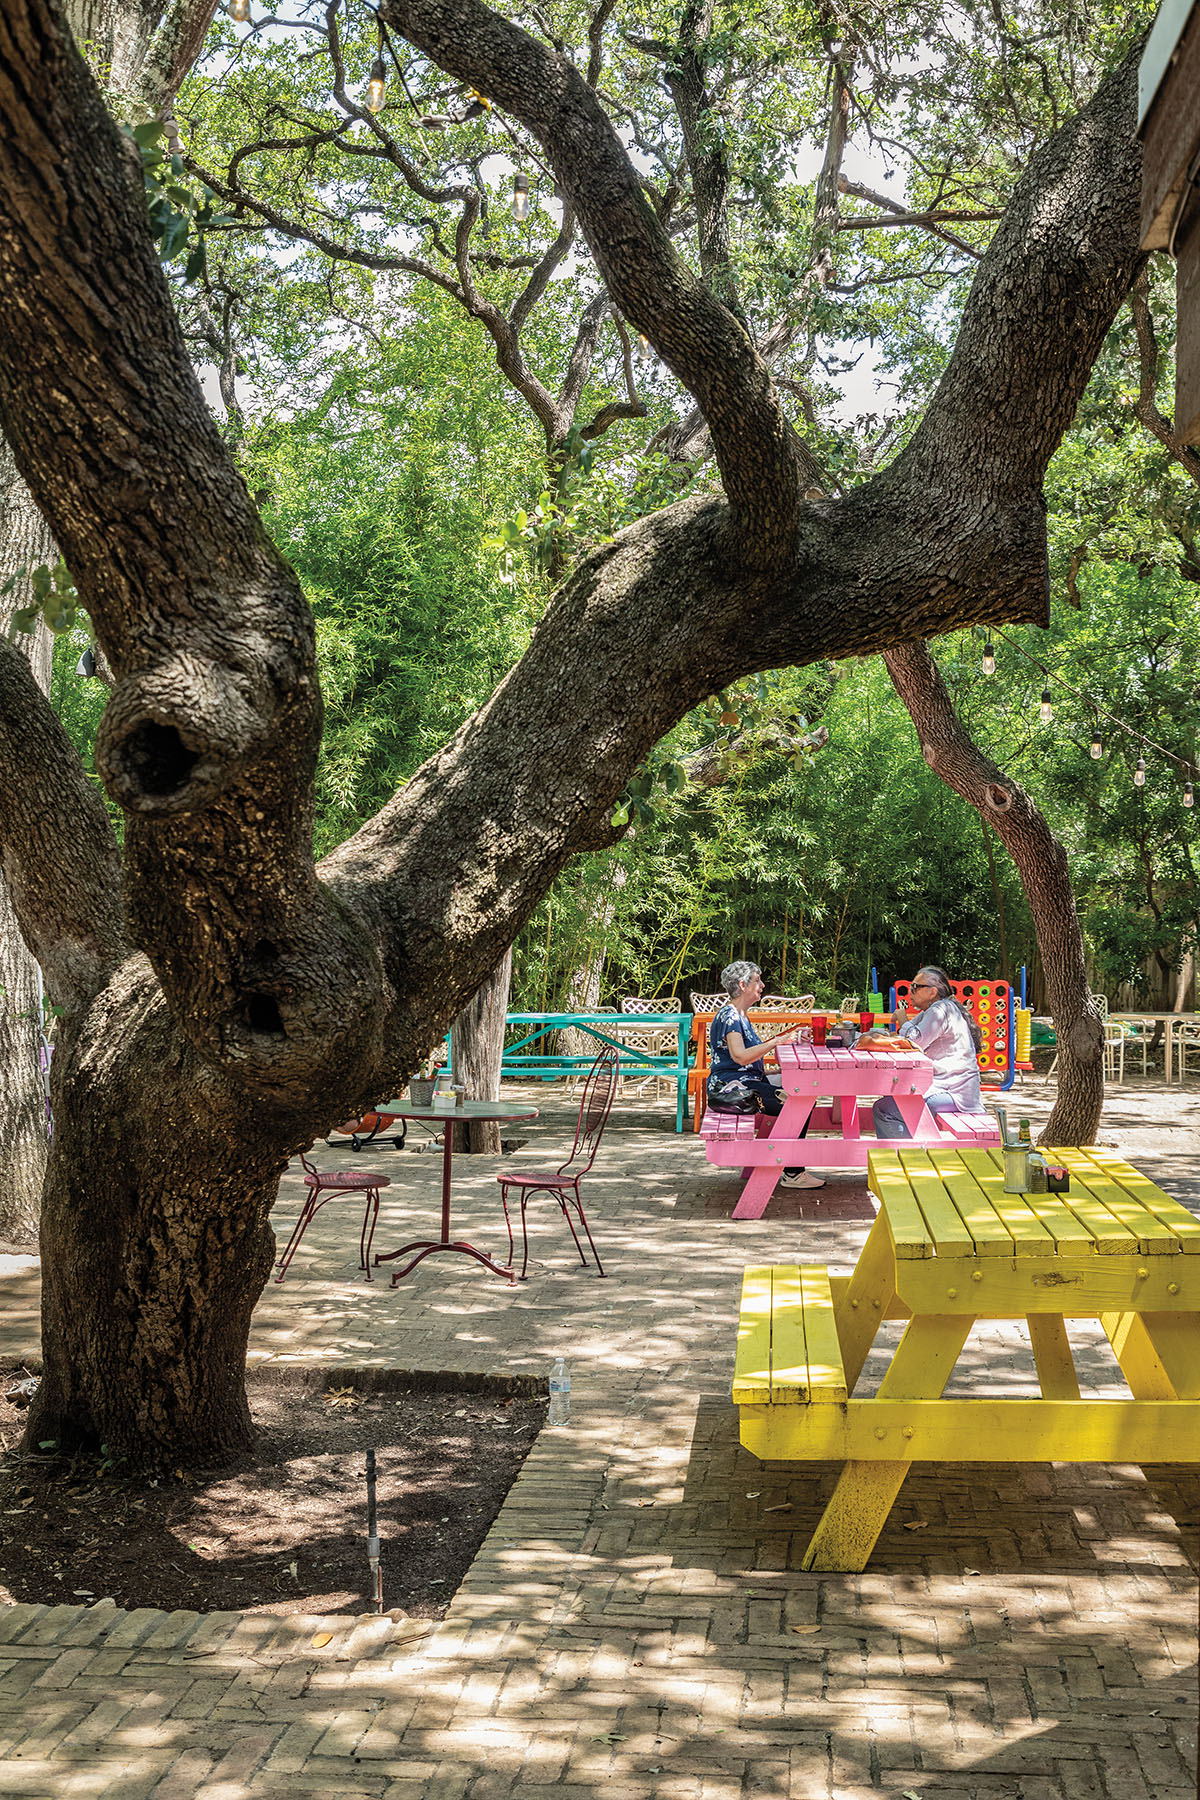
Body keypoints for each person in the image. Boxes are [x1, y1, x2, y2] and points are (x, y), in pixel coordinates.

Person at [708, 960, 824, 1190]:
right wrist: (777, 1041)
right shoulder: (731, 1016)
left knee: (802, 1091)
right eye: (757, 980)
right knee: (798, 1103)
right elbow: (740, 1057)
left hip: (742, 1082)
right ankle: (792, 1172)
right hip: (732, 1090)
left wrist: (778, 1070)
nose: (762, 985)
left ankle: (789, 1165)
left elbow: (740, 1064)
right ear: (742, 985)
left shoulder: (739, 1014)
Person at [872, 965, 983, 1139]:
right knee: (894, 1096)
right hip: (949, 1088)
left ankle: (907, 1159)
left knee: (885, 1109)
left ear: (932, 992)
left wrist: (902, 1018)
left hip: (953, 1093)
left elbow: (914, 1040)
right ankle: (909, 1153)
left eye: (916, 987)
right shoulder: (932, 1011)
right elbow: (905, 1035)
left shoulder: (941, 1009)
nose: (911, 991)